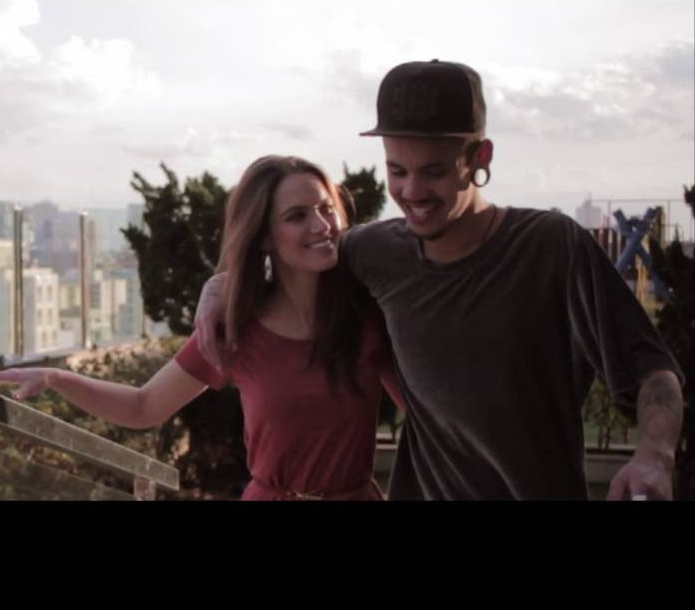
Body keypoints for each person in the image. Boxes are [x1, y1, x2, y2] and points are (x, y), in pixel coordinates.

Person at [196, 59, 684, 500]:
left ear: (480, 157)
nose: (412, 191)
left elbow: (652, 370)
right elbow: (292, 254)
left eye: (433, 171)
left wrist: (654, 457)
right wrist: (221, 286)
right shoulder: (374, 253)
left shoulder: (554, 247)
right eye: (396, 171)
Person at [0, 155, 405, 500]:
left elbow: (426, 414)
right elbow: (144, 406)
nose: (321, 226)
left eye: (326, 209)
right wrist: (55, 378)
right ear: (263, 236)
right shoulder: (236, 327)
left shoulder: (369, 317)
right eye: (297, 216)